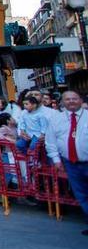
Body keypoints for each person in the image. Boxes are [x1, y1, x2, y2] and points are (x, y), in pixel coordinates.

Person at [44, 91, 88, 236]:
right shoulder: (56, 119)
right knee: (81, 194)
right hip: (71, 163)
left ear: (80, 100)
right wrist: (56, 160)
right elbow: (50, 142)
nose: (71, 101)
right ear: (62, 102)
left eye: (74, 98)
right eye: (67, 99)